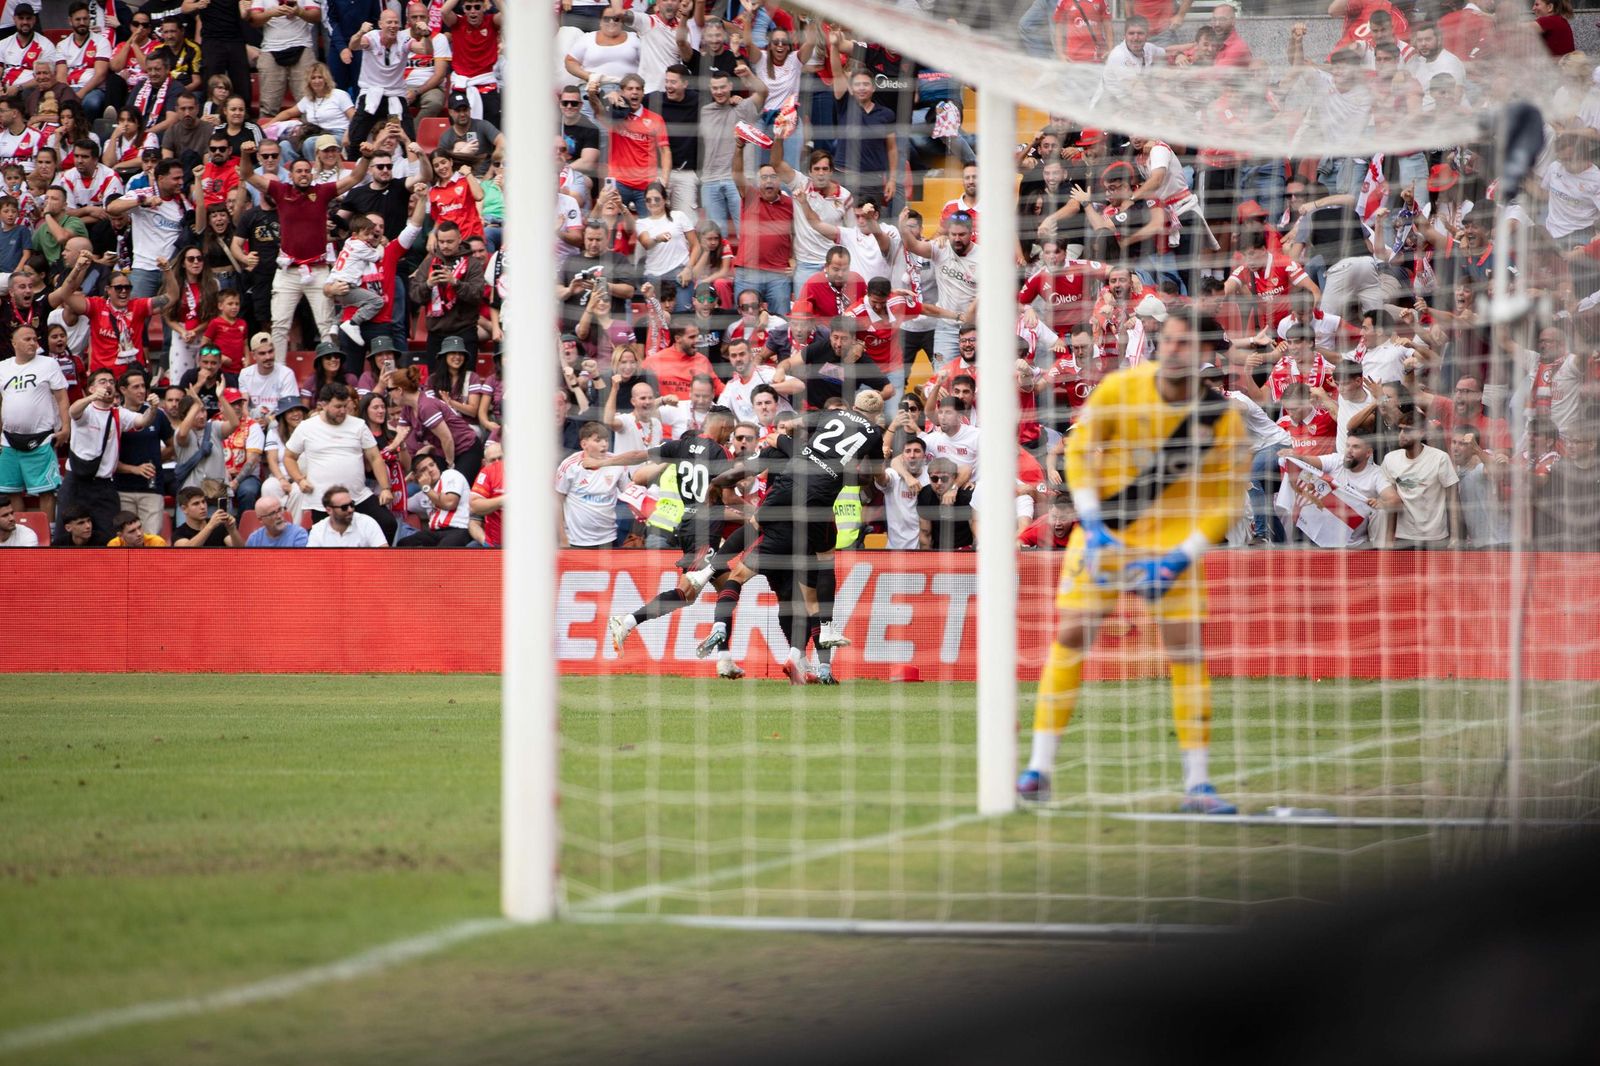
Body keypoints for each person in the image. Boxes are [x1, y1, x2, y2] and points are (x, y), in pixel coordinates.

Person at [1019, 313, 1248, 813]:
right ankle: (1037, 769)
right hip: (1106, 534)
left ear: (1205, 353)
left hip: (1171, 546)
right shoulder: (1122, 388)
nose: (1173, 350)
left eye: (1185, 343)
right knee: (1072, 635)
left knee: (1185, 652)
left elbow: (1226, 502)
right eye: (1168, 340)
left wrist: (1179, 558)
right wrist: (1095, 523)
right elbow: (1077, 452)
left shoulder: (1220, 418)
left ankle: (1199, 785)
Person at [282, 381, 397, 542]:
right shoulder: (306, 427)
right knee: (330, 540)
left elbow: (374, 457)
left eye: (345, 405)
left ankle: (374, 564)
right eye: (337, 407)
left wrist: (385, 488)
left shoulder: (358, 425)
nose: (343, 411)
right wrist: (300, 480)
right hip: (322, 500)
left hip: (358, 495)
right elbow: (289, 457)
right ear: (323, 405)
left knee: (388, 523)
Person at [61, 365, 160, 537]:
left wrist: (153, 409)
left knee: (108, 534)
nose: (108, 385)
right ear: (91, 388)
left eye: (111, 382)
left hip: (104, 485)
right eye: (102, 381)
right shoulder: (87, 410)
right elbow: (73, 410)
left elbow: (143, 421)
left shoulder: (119, 413)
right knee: (67, 535)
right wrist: (91, 398)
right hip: (77, 481)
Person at [0, 320, 68, 520]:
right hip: (8, 440)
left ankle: (48, 535)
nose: (33, 343)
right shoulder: (3, 367)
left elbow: (62, 397)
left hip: (42, 438)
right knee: (12, 490)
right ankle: (19, 534)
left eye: (35, 339)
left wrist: (66, 427)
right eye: (27, 339)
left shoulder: (48, 364)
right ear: (14, 343)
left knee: (46, 491)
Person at [1373, 414, 1462, 549]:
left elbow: (1453, 500)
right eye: (1400, 429)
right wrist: (1389, 539)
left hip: (1435, 537)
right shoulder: (1390, 459)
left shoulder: (1440, 458)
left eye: (1408, 430)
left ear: (1421, 433)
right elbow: (1392, 503)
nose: (1402, 434)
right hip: (1403, 537)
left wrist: (1455, 537)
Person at [556, 419, 628, 549]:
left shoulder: (617, 463)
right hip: (576, 542)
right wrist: (562, 539)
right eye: (598, 440)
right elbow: (556, 503)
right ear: (584, 444)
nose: (604, 444)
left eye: (606, 440)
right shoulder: (569, 466)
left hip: (609, 539)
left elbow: (629, 494)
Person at [397, 450, 472, 547]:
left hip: (459, 529)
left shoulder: (450, 475)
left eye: (432, 465)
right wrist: (405, 482)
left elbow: (449, 503)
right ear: (417, 477)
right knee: (403, 544)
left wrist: (426, 488)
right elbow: (397, 504)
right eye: (424, 470)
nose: (430, 470)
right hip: (434, 533)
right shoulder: (421, 495)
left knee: (440, 554)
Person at [307, 482, 389, 546]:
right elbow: (312, 563)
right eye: (344, 507)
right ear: (329, 510)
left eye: (352, 504)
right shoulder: (318, 530)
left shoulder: (367, 523)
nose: (350, 509)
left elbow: (383, 555)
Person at [172, 483, 243, 546]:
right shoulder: (179, 533)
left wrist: (232, 530)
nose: (202, 507)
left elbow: (241, 552)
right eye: (196, 503)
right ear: (184, 509)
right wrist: (210, 526)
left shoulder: (219, 526)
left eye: (203, 502)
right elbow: (186, 552)